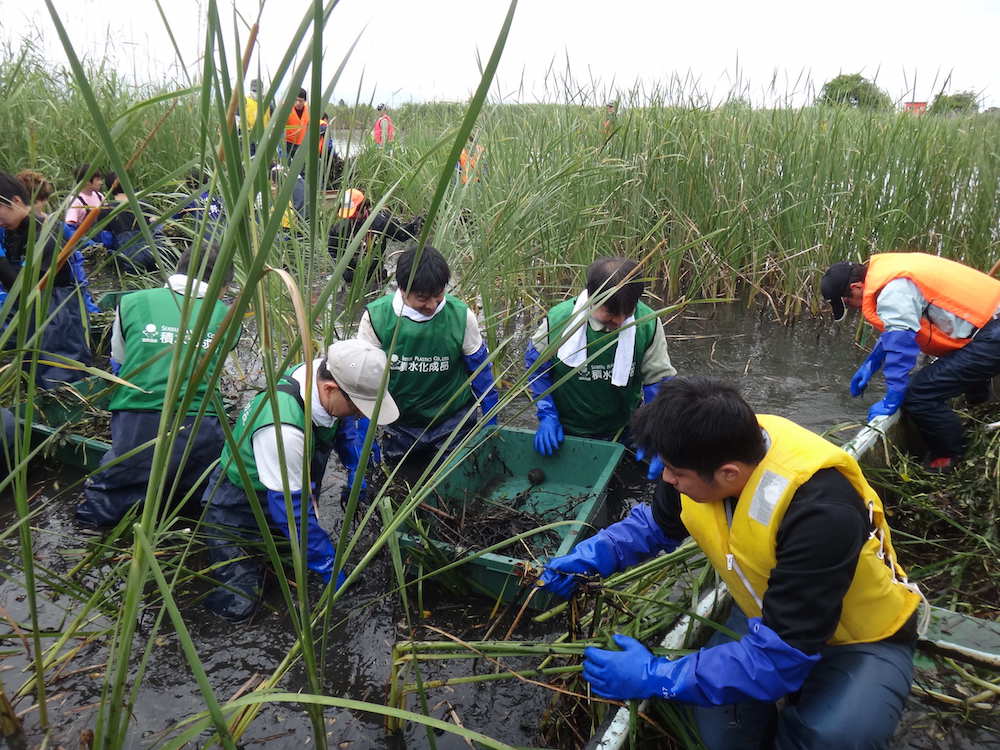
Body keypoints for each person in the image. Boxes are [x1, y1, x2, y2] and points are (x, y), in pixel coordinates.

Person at [539, 376, 921, 750]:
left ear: (729, 475)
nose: (666, 478)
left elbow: (780, 657)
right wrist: (594, 555)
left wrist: (656, 675)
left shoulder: (820, 513)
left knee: (833, 738)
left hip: (860, 637)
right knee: (719, 734)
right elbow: (657, 524)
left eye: (675, 472)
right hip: (764, 611)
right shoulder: (703, 448)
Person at [200, 340, 399, 621]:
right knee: (241, 603)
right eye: (358, 406)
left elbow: (344, 428)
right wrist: (330, 565)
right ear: (330, 390)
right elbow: (292, 513)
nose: (360, 413)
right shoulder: (283, 428)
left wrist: (356, 468)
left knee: (294, 565)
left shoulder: (319, 376)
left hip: (286, 488)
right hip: (237, 506)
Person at [75, 244, 233, 527]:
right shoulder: (226, 314)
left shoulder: (133, 302)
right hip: (201, 421)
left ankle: (92, 539)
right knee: (193, 500)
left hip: (137, 418)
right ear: (222, 285)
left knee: (110, 497)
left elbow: (119, 363)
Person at [821, 253, 1000, 472]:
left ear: (857, 286)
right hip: (988, 325)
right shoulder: (891, 272)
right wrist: (872, 362)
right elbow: (899, 326)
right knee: (956, 361)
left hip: (993, 334)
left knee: (918, 393)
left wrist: (893, 396)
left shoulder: (893, 289)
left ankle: (948, 457)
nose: (853, 308)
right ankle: (980, 407)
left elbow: (901, 343)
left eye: (847, 302)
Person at [525, 257, 675, 477]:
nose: (620, 321)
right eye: (612, 313)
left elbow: (658, 384)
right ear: (592, 298)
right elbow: (537, 370)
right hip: (567, 431)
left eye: (628, 311)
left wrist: (656, 435)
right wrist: (547, 415)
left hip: (623, 429)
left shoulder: (647, 323)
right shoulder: (559, 320)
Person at [357, 244, 499, 462]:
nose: (432, 305)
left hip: (452, 420)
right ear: (402, 289)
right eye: (422, 298)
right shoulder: (377, 318)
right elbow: (364, 380)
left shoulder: (461, 316)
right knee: (401, 481)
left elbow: (480, 370)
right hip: (400, 424)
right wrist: (365, 434)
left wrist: (491, 418)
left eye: (438, 294)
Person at [0, 171, 92, 388]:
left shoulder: (47, 233)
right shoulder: (11, 232)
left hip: (57, 317)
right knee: (32, 371)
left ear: (15, 201)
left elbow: (24, 289)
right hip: (31, 318)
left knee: (59, 379)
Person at [16, 169, 98, 313]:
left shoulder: (54, 225)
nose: (35, 207)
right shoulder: (13, 229)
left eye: (39, 201)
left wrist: (94, 246)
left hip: (58, 289)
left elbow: (75, 246)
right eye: (30, 202)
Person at [327, 189, 422, 284]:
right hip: (350, 278)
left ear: (364, 207)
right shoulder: (338, 229)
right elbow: (332, 252)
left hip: (375, 277)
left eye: (353, 213)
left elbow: (400, 235)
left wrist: (415, 226)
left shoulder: (380, 222)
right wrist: (343, 272)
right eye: (348, 214)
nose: (351, 217)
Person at [101, 171, 167, 273]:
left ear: (110, 188)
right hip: (152, 252)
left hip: (130, 257)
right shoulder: (143, 203)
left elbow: (106, 238)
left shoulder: (107, 209)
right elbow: (155, 222)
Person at [284, 88, 309, 163]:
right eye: (296, 100)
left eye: (300, 101)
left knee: (301, 167)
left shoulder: (308, 111)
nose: (298, 103)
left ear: (304, 101)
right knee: (286, 166)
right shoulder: (286, 109)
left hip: (301, 144)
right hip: (287, 143)